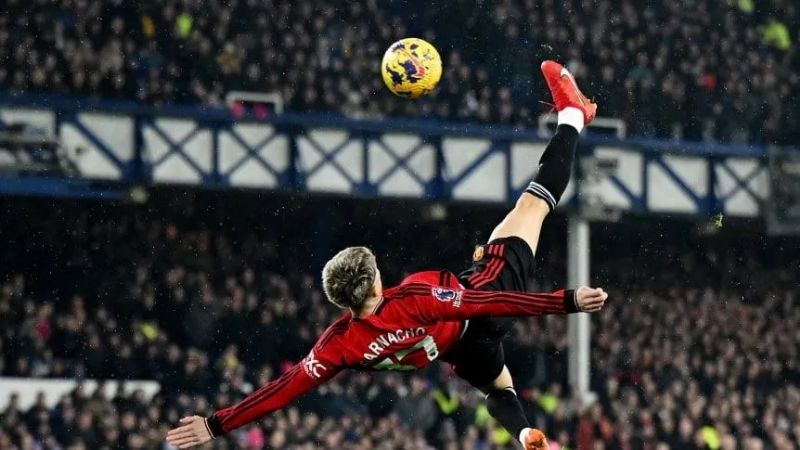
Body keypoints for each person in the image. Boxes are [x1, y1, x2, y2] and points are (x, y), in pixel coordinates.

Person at [166, 60, 604, 450]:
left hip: (461, 352)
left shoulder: (339, 345)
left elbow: (284, 389)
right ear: (375, 280)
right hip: (482, 303)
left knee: (497, 390)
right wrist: (565, 301)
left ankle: (525, 433)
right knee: (533, 204)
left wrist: (216, 424)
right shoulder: (414, 296)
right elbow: (487, 303)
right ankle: (573, 116)